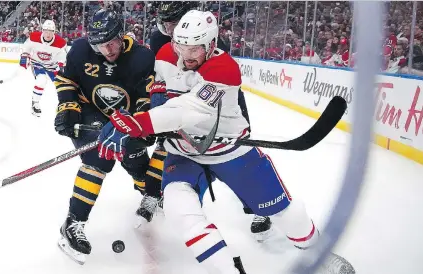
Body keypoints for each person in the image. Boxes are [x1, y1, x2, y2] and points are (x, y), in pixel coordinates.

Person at [97, 10, 355, 274]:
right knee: (178, 210)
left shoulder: (224, 69)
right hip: (184, 153)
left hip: (230, 152)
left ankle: (318, 251)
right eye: (180, 45)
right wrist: (129, 117)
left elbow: (187, 110)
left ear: (211, 45)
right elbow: (153, 92)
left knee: (284, 213)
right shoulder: (165, 55)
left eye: (194, 48)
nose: (185, 55)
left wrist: (142, 123)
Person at [140, 1, 273, 241]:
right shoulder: (159, 41)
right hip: (180, 102)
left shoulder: (211, 42)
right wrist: (159, 112)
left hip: (216, 100)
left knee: (238, 153)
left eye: (174, 24)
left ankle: (257, 208)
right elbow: (160, 79)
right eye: (166, 25)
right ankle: (156, 194)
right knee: (167, 147)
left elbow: (219, 84)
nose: (170, 31)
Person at [53, 9, 156, 265]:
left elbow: (146, 97)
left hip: (127, 119)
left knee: (135, 160)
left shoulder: (142, 58)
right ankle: (73, 222)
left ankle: (150, 192)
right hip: (91, 113)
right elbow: (66, 80)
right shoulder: (79, 50)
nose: (107, 51)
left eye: (111, 43)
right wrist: (68, 107)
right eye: (100, 45)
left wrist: (144, 125)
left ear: (121, 35)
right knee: (99, 160)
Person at [19, 19, 68, 117]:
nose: (48, 34)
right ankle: (35, 103)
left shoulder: (61, 43)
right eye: (46, 31)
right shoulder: (34, 37)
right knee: (41, 80)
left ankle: (67, 107)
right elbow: (26, 47)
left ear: (54, 32)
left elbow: (63, 56)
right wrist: (24, 56)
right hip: (37, 63)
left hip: (52, 66)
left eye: (50, 31)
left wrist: (62, 65)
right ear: (42, 30)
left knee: (63, 85)